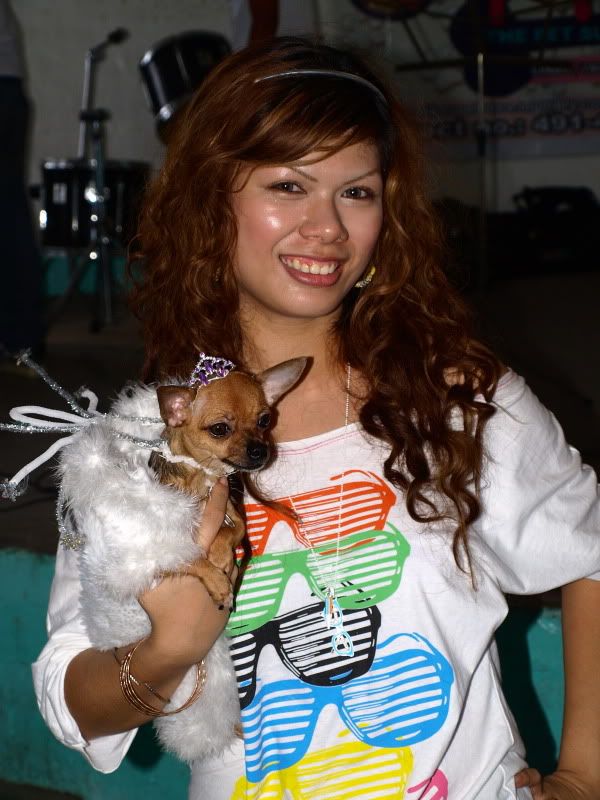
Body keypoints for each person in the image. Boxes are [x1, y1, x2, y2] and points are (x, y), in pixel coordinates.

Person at [32, 37, 600, 800]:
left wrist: (584, 776)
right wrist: (170, 648)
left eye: (356, 192)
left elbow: (590, 548)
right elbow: (70, 697)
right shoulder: (136, 452)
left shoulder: (454, 403)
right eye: (288, 186)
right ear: (213, 203)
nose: (326, 226)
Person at [0, 0, 44, 361]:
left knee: (9, 215)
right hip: (8, 89)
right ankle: (22, 339)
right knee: (10, 213)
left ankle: (19, 339)